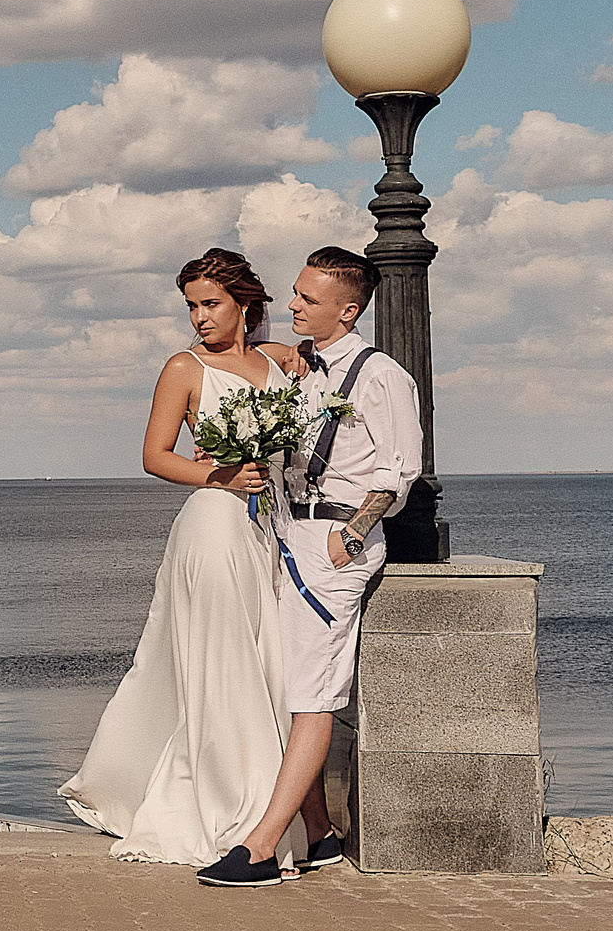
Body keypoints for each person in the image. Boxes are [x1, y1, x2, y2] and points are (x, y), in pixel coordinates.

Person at [58, 248, 307, 873]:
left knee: (269, 660)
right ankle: (226, 814)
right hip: (214, 527)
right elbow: (155, 456)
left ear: (245, 305)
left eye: (210, 304)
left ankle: (271, 818)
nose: (198, 317)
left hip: (269, 531)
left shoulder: (278, 364)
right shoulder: (183, 368)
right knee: (221, 667)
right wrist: (218, 476)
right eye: (192, 306)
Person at [200, 245, 421, 890]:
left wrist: (351, 535)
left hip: (333, 543)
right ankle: (320, 836)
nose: (291, 306)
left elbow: (400, 469)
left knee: (313, 696)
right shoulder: (301, 370)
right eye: (294, 294)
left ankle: (263, 848)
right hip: (286, 532)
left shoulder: (381, 377)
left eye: (307, 299)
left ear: (348, 311)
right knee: (287, 682)